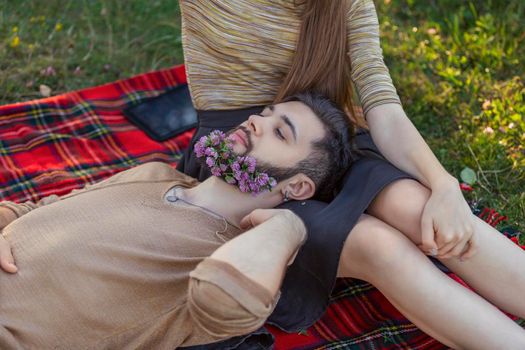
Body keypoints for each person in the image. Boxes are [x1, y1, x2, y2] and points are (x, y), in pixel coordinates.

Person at [175, 1, 525, 348]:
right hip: (242, 148)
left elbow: (384, 110)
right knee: (377, 245)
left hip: (323, 136)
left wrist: (443, 184)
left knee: (416, 208)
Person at [0, 93, 354, 349]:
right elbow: (38, 207)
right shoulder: (154, 172)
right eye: (265, 113)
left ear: (298, 185)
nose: (256, 121)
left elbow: (230, 302)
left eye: (280, 132)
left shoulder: (229, 254)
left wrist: (288, 227)